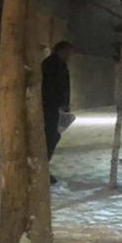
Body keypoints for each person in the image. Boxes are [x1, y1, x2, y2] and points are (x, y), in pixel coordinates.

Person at [42, 41, 74, 184]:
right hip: (49, 108)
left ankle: (43, 168)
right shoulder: (51, 65)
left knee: (53, 137)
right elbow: (51, 87)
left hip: (54, 108)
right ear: (61, 50)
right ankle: (42, 170)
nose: (70, 55)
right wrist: (59, 104)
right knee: (49, 138)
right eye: (68, 52)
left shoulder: (60, 64)